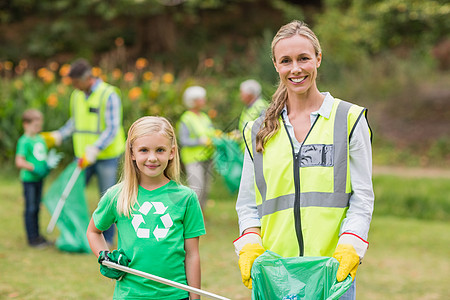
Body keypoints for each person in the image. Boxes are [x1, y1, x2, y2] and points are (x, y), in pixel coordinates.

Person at [233, 20, 374, 299]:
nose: (295, 68)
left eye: (303, 58)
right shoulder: (256, 129)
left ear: (318, 59)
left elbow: (363, 196)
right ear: (275, 65)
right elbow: (248, 202)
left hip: (332, 272)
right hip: (276, 274)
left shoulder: (349, 119)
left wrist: (350, 246)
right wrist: (250, 243)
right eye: (286, 60)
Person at [86, 116, 205, 300]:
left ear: (172, 152)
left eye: (160, 150)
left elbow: (192, 255)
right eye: (143, 150)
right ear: (132, 153)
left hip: (174, 295)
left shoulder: (186, 198)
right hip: (130, 295)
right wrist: (106, 257)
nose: (152, 158)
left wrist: (195, 297)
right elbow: (94, 231)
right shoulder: (117, 195)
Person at [42, 58, 126, 245]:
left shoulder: (109, 94)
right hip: (82, 157)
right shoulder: (77, 95)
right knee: (71, 193)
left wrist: (96, 148)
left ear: (87, 78)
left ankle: (108, 239)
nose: (74, 86)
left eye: (76, 82)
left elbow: (113, 128)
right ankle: (75, 233)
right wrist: (59, 135)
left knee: (107, 198)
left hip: (106, 156)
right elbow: (75, 123)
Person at [15, 109, 62, 248]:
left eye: (39, 125)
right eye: (35, 126)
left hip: (39, 179)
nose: (38, 128)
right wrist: (33, 168)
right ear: (26, 124)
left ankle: (37, 236)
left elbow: (41, 156)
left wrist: (47, 165)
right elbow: (19, 161)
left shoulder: (40, 139)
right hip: (29, 180)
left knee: (37, 207)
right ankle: (32, 238)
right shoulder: (24, 141)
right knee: (30, 208)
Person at [177, 86, 215, 210]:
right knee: (196, 189)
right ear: (193, 101)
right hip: (193, 159)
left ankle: (201, 215)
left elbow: (211, 133)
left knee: (205, 190)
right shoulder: (186, 118)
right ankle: (191, 215)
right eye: (201, 99)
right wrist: (199, 141)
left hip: (207, 157)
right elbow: (183, 140)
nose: (204, 101)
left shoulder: (204, 116)